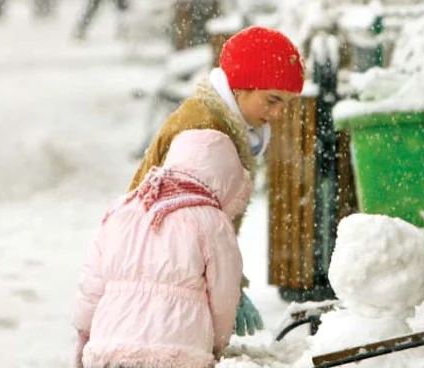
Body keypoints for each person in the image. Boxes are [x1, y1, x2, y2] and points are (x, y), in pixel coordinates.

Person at [130, 25, 304, 337]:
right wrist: (224, 288)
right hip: (164, 286)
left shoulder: (222, 124)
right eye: (273, 100)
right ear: (241, 87)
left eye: (285, 105)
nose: (278, 114)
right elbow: (191, 228)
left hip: (169, 280)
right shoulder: (206, 135)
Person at [73, 129, 252, 367]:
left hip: (111, 346)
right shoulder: (212, 221)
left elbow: (91, 283)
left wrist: (85, 332)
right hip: (180, 351)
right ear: (226, 180)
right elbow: (224, 295)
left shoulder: (122, 210)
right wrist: (218, 343)